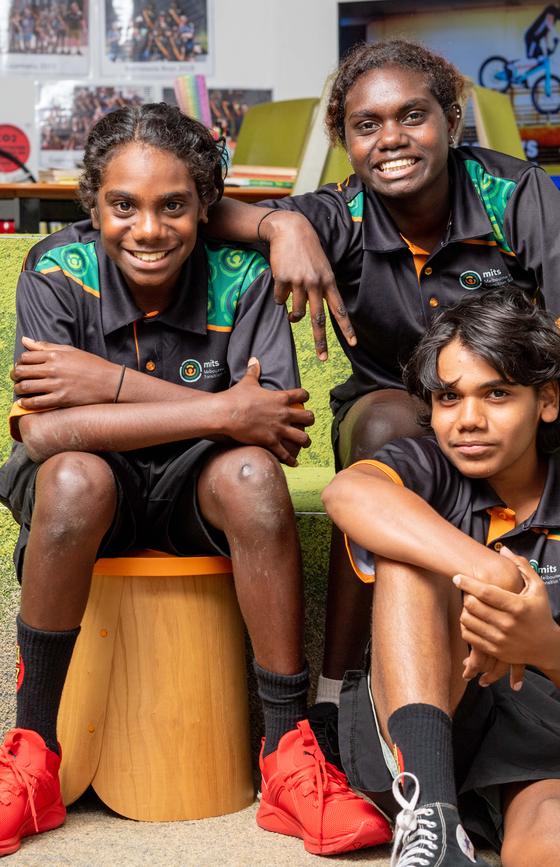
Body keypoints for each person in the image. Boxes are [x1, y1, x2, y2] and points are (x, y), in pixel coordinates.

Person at [207, 38, 560, 758]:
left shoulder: (514, 193)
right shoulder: (337, 215)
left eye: (412, 116)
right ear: (344, 140)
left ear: (451, 118)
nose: (391, 140)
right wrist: (278, 222)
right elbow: (201, 209)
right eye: (366, 124)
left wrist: (511, 403)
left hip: (511, 406)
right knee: (385, 426)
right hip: (392, 408)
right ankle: (334, 694)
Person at [0, 103, 390, 857]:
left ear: (207, 205)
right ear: (92, 205)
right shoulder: (56, 269)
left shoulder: (243, 273)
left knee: (248, 473)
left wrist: (102, 387)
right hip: (83, 497)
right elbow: (46, 433)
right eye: (123, 206)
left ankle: (287, 756)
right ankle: (30, 752)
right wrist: (218, 408)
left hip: (197, 491)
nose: (148, 229)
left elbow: (270, 428)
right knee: (76, 475)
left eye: (174, 204)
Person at [321, 288, 560, 867]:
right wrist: (492, 572)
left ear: (546, 400)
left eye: (497, 394)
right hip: (428, 717)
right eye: (449, 398)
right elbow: (347, 492)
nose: (468, 420)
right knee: (407, 555)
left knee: (552, 835)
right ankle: (434, 821)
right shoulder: (424, 470)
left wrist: (538, 642)